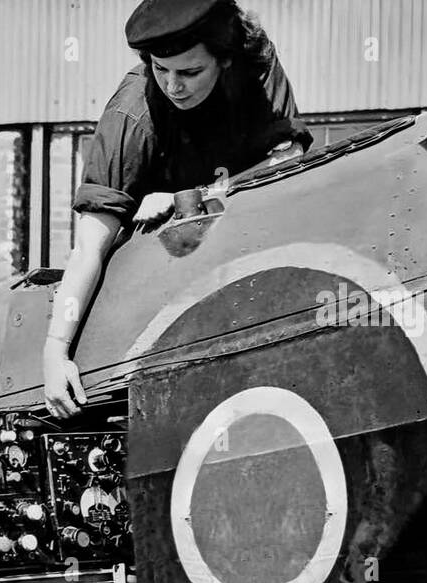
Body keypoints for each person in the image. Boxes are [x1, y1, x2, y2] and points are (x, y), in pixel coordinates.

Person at [43, 0, 313, 418]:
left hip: (252, 250)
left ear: (224, 60)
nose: (173, 86)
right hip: (157, 282)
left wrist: (190, 197)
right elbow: (88, 248)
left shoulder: (255, 68)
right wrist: (55, 350)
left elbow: (289, 160)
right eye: (160, 68)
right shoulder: (132, 114)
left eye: (189, 72)